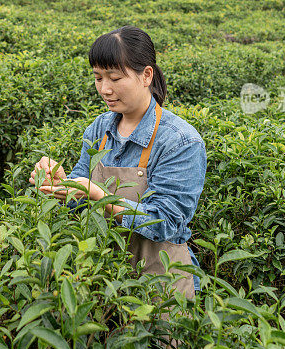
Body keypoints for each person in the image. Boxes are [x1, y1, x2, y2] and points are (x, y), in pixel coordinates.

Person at [30, 25, 207, 300]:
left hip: (160, 283)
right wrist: (60, 184)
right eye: (98, 78)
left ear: (146, 75)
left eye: (114, 78)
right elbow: (80, 190)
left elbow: (169, 221)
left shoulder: (180, 141)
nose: (105, 89)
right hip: (103, 275)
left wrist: (102, 198)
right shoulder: (99, 129)